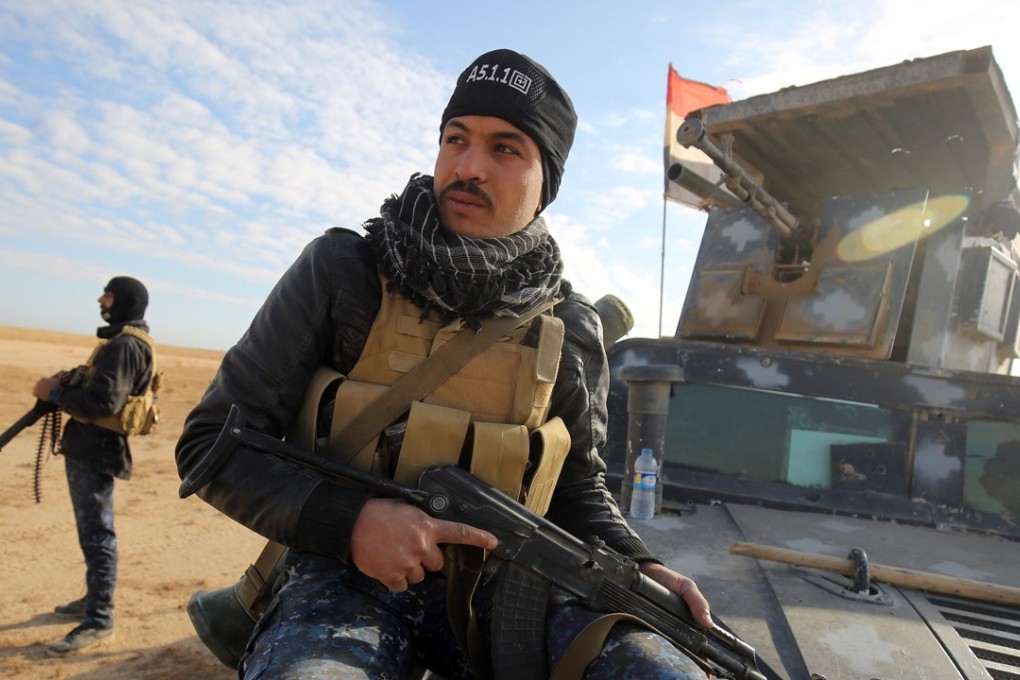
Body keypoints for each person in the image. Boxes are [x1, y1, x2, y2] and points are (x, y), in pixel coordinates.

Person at [176, 49, 713, 679]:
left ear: (546, 185)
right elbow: (211, 446)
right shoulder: (345, 274)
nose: (468, 166)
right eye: (455, 139)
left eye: (506, 149)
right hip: (344, 578)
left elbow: (576, 486)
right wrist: (353, 523)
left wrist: (636, 562)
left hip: (511, 588)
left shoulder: (570, 326)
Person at [32, 276, 155, 656]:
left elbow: (105, 403)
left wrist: (53, 393)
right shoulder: (122, 343)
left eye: (109, 294)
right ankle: (93, 600)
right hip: (90, 448)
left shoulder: (124, 346)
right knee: (92, 532)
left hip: (96, 450)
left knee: (97, 535)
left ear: (125, 302)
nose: (102, 299)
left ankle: (99, 619)